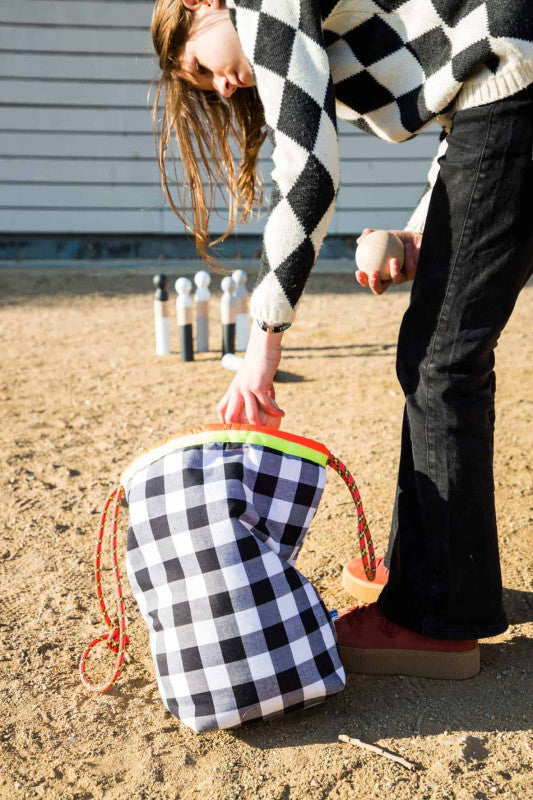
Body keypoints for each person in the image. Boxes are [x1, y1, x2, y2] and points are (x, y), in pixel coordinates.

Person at [150, 0, 533, 679]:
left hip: (512, 83)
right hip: (505, 84)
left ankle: (436, 618)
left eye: (198, 69)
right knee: (442, 356)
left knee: (440, 363)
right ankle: (436, 570)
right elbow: (463, 100)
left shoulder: (256, 4)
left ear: (198, 5)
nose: (221, 88)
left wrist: (263, 343)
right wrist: (418, 229)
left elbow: (308, 176)